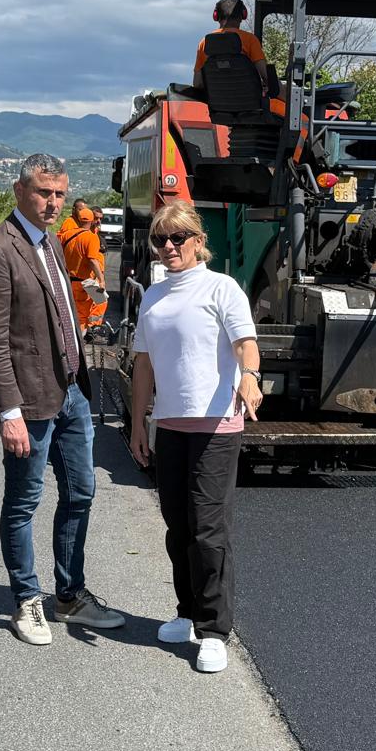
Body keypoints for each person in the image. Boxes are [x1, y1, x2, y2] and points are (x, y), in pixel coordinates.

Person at [0, 153, 125, 645]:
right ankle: (27, 600)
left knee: (81, 491)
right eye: (43, 192)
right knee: (24, 502)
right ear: (19, 192)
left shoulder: (53, 244)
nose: (53, 202)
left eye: (59, 193)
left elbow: (64, 314)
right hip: (30, 404)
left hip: (71, 394)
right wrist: (8, 412)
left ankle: (70, 595)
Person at [128, 200, 262, 673]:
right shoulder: (152, 296)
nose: (168, 247)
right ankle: (186, 612)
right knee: (177, 526)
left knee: (208, 530)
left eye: (177, 238)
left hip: (216, 426)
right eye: (160, 240)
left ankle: (214, 630)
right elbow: (142, 364)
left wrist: (249, 376)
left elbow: (247, 344)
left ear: (198, 242)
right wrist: (137, 422)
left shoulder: (221, 288)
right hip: (170, 424)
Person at [193, 0, 285, 118]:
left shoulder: (204, 43)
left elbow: (197, 83)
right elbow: (267, 78)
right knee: (298, 115)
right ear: (243, 15)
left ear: (216, 16)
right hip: (251, 106)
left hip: (219, 108)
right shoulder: (250, 40)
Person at [60, 200, 108, 338]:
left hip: (69, 280)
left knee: (70, 311)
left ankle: (72, 336)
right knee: (87, 311)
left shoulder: (66, 235)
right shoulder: (91, 237)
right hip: (86, 283)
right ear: (91, 220)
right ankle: (79, 342)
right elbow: (92, 260)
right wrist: (101, 279)